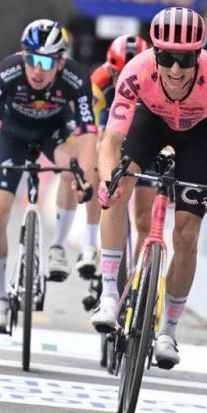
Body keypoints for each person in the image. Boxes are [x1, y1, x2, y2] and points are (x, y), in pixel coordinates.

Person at [91, 7, 207, 369]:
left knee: (187, 235)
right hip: (151, 122)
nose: (174, 68)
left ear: (198, 55)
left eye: (184, 59)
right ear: (154, 53)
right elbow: (110, 141)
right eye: (166, 57)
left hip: (198, 137)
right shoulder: (137, 69)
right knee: (118, 185)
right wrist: (108, 180)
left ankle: (168, 330)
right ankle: (109, 294)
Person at [0, 19, 96, 332]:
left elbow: (87, 136)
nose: (37, 69)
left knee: (72, 167)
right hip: (12, 135)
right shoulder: (6, 72)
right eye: (31, 59)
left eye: (46, 62)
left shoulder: (76, 78)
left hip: (53, 131)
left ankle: (56, 247)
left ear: (61, 62)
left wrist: (85, 178)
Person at [84, 35, 150, 275]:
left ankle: (139, 278)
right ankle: (90, 243)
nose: (125, 83)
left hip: (146, 134)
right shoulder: (99, 81)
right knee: (95, 157)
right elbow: (91, 127)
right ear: (109, 70)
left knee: (144, 218)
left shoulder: (156, 78)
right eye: (118, 75)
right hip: (112, 126)